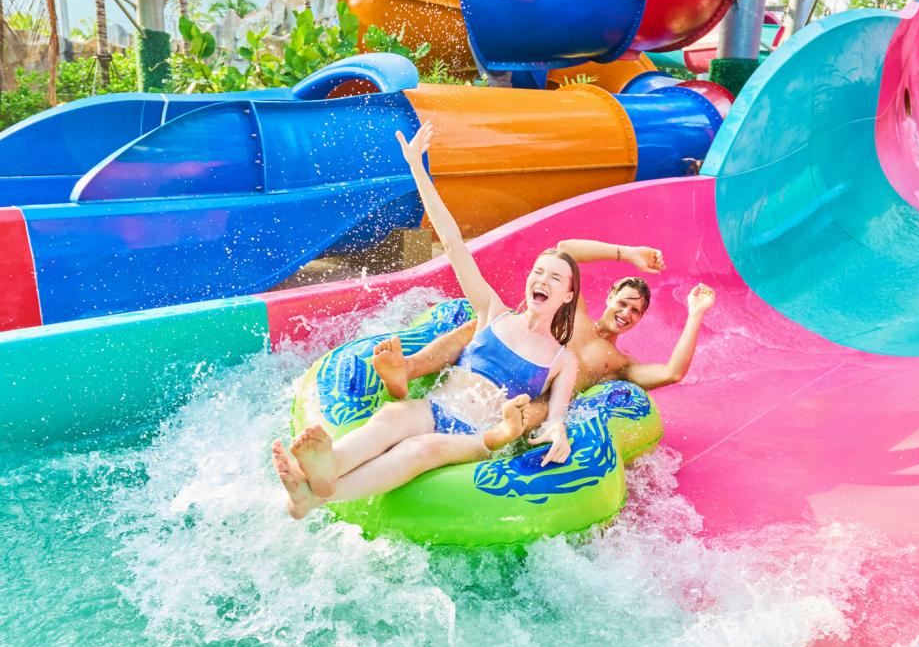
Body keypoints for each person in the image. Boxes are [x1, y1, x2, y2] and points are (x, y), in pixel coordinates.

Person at [272, 121, 580, 518]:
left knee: (422, 448)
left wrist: (556, 432)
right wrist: (417, 166)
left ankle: (319, 493)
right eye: (538, 272)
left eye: (554, 278)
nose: (541, 280)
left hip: (477, 434)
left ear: (567, 295)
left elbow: (557, 415)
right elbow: (453, 244)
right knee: (393, 415)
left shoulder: (561, 360)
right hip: (435, 407)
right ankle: (323, 474)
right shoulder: (493, 312)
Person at [371, 240, 717, 459]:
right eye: (623, 303)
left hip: (538, 399)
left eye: (635, 312)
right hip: (509, 366)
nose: (626, 314)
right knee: (479, 329)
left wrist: (696, 314)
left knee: (533, 411)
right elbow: (565, 250)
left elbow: (673, 372)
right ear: (609, 296)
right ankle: (407, 369)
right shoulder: (575, 310)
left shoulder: (619, 363)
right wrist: (627, 254)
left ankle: (488, 445)